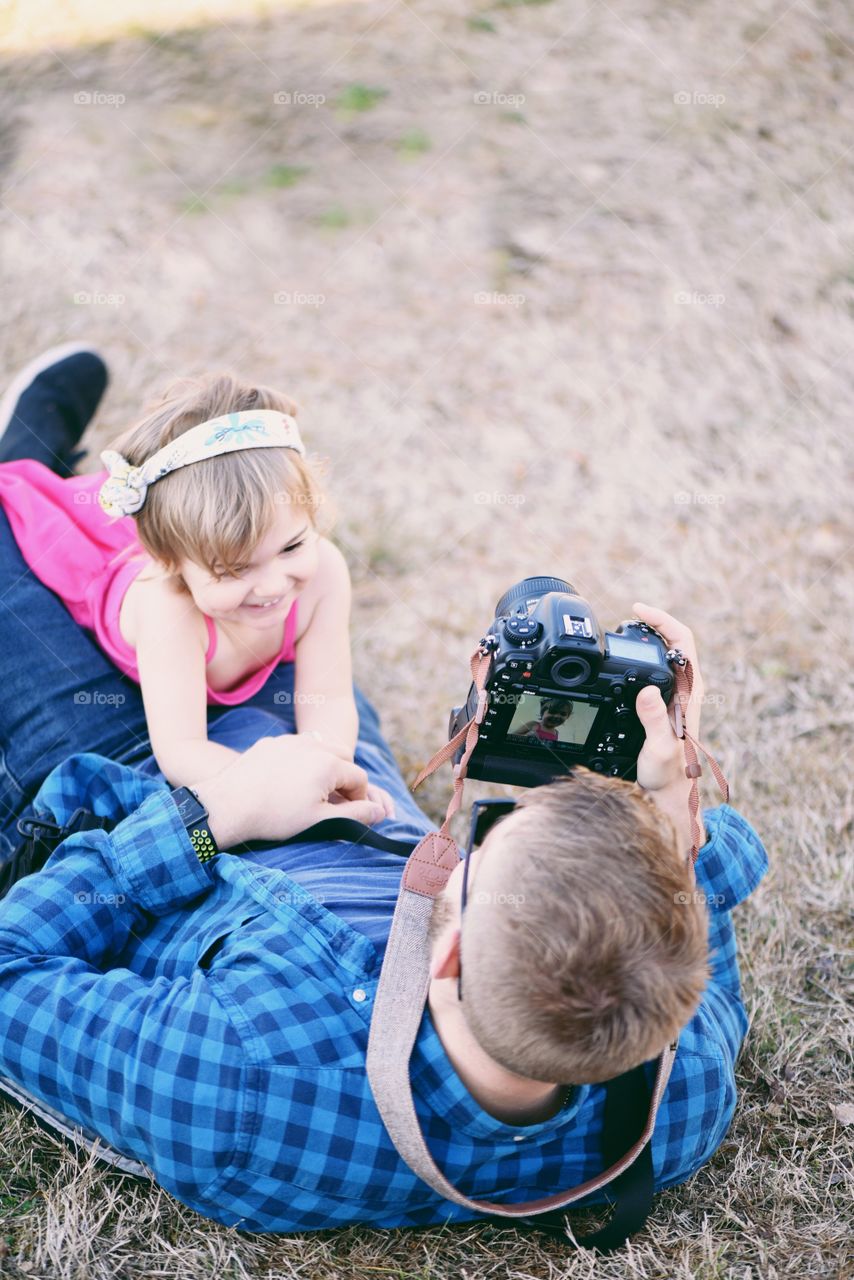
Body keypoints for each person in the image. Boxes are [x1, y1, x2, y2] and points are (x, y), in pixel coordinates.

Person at [0, 348, 768, 1234]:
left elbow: (13, 970)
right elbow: (700, 889)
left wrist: (221, 815)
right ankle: (72, 486)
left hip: (135, 776)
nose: (475, 823)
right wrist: (668, 788)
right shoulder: (679, 1097)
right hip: (334, 767)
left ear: (442, 958)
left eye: (478, 843)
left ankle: (26, 452)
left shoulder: (239, 1081)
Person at [0, 355, 393, 813]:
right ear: (171, 564)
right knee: (24, 510)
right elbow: (183, 751)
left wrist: (331, 772)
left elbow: (326, 697)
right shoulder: (168, 606)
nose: (272, 586)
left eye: (291, 547)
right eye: (234, 570)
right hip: (101, 579)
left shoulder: (324, 571)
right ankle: (23, 447)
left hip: (192, 545)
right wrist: (281, 787)